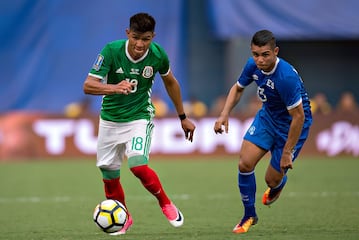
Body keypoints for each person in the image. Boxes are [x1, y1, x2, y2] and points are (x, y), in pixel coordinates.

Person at [83, 12, 195, 235]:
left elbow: (171, 83)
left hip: (139, 117)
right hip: (109, 120)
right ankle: (123, 216)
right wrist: (114, 87)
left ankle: (165, 203)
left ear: (153, 37)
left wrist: (183, 117)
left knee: (138, 166)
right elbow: (88, 85)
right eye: (135, 37)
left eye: (145, 39)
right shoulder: (111, 51)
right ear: (128, 34)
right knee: (109, 173)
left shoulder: (158, 55)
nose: (140, 44)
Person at [214, 30, 312, 234]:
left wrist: (287, 152)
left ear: (275, 51)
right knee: (245, 163)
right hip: (268, 118)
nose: (260, 59)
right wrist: (224, 114)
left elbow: (299, 117)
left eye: (265, 54)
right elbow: (238, 88)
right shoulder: (252, 65)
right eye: (255, 54)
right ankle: (249, 214)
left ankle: (278, 183)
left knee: (271, 179)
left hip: (292, 125)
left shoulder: (285, 78)